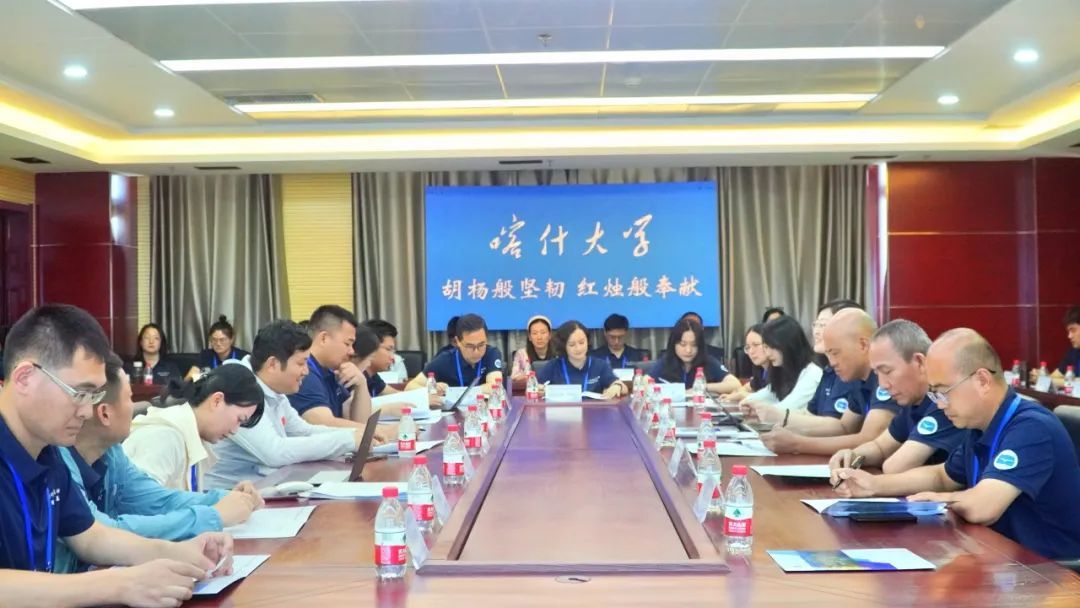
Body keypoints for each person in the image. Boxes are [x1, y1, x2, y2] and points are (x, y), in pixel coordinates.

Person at [0, 304, 233, 607]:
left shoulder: (48, 451)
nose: (87, 412)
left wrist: (181, 552)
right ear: (24, 378)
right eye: (79, 393)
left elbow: (90, 536)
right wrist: (117, 584)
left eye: (94, 395)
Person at [832, 328, 1080, 560]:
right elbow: (942, 476)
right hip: (999, 555)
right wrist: (873, 485)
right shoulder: (978, 426)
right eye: (934, 394)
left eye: (943, 392)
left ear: (982, 381)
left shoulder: (1032, 427)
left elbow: (984, 507)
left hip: (1050, 571)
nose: (940, 404)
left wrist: (937, 500)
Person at [58, 354, 260, 573]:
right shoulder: (58, 462)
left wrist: (222, 499)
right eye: (130, 398)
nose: (136, 408)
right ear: (105, 413)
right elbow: (104, 532)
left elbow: (158, 500)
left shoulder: (112, 454)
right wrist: (213, 515)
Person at [208, 320, 372, 488]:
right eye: (301, 363)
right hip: (230, 494)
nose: (306, 371)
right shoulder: (238, 389)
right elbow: (274, 452)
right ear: (273, 364)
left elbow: (303, 431)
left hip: (267, 484)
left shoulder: (271, 388)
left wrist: (357, 434)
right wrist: (347, 440)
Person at [828, 320, 964, 476]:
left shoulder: (944, 403)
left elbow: (895, 466)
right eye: (877, 374)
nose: (882, 384)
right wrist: (852, 455)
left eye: (887, 371)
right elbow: (880, 447)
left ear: (919, 362)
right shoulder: (912, 402)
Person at [757, 308, 901, 455]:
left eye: (835, 353)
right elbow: (844, 427)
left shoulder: (886, 375)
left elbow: (870, 439)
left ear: (863, 345)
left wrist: (797, 444)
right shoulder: (859, 379)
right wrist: (789, 431)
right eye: (828, 354)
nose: (832, 363)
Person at [123, 364, 265, 491]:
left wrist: (225, 500)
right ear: (217, 401)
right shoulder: (164, 437)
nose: (235, 430)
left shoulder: (192, 434)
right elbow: (139, 502)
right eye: (239, 419)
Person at [288, 305, 379, 428]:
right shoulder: (305, 371)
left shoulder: (330, 370)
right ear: (324, 338)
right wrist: (380, 431)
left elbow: (358, 420)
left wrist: (361, 384)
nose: (352, 351)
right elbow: (324, 424)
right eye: (347, 344)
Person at [740, 316, 822, 415]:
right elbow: (770, 392)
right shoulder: (782, 369)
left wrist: (758, 409)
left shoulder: (812, 373)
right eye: (766, 347)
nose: (768, 353)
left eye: (772, 347)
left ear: (788, 345)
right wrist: (748, 402)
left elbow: (789, 407)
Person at [407, 314, 504, 390]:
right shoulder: (445, 359)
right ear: (458, 342)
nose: (476, 352)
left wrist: (458, 393)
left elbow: (495, 386)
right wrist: (432, 389)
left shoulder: (492, 353)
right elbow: (410, 387)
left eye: (481, 345)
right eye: (470, 346)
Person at [361, 319, 442, 409]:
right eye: (388, 349)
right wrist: (420, 400)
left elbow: (395, 395)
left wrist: (422, 398)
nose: (393, 357)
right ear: (369, 346)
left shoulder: (372, 376)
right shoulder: (355, 376)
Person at [647, 319, 740, 394]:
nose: (688, 350)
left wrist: (702, 387)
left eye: (694, 345)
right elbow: (644, 384)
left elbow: (735, 384)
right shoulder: (666, 362)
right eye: (683, 344)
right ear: (673, 344)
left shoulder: (708, 361)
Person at [535, 321, 625, 399]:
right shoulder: (554, 366)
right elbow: (533, 387)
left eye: (582, 342)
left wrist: (617, 386)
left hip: (593, 412)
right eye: (572, 345)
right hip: (562, 412)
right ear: (563, 346)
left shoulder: (600, 365)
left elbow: (623, 388)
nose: (578, 348)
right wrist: (539, 389)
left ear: (587, 341)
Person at [806, 299, 864, 417]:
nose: (816, 332)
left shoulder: (852, 372)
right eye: (816, 324)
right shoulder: (829, 370)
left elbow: (836, 423)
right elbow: (810, 414)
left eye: (823, 325)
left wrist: (781, 417)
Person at [721, 324, 769, 405]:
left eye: (756, 345)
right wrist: (735, 393)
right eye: (748, 347)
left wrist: (742, 395)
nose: (751, 352)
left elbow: (774, 399)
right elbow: (749, 387)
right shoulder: (760, 369)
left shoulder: (780, 370)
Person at [511, 315, 555, 380]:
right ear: (529, 337)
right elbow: (514, 378)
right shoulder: (521, 354)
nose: (539, 337)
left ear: (550, 335)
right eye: (535, 333)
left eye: (543, 332)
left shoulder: (558, 354)